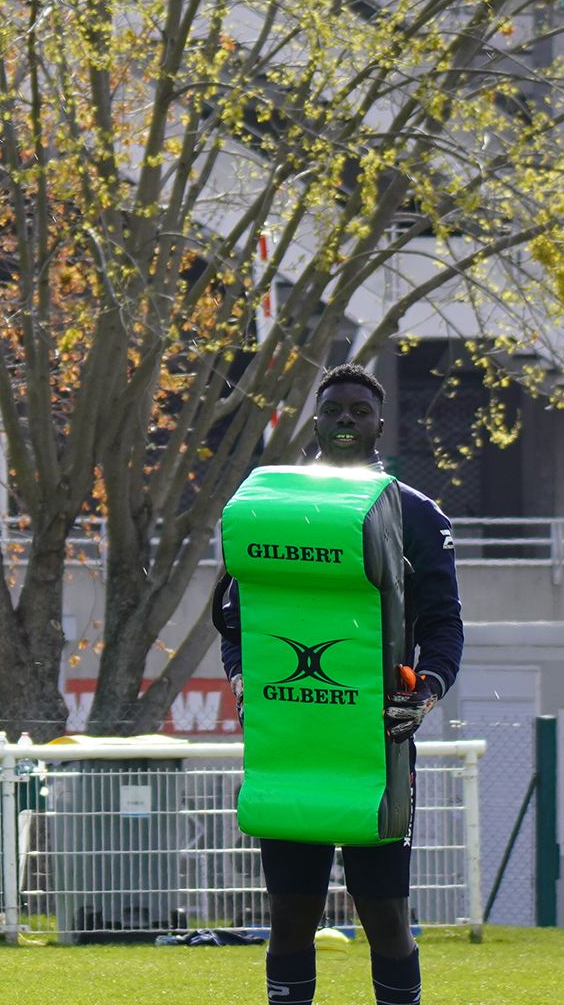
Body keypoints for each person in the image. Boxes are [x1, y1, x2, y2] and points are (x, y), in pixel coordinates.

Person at [213, 362, 464, 1005]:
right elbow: (240, 619)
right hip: (293, 740)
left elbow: (443, 629)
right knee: (291, 912)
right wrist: (243, 678)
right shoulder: (274, 508)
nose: (346, 419)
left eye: (359, 409)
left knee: (382, 916)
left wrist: (424, 695)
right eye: (333, 410)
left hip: (376, 749)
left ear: (381, 422)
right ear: (315, 420)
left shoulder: (416, 513)